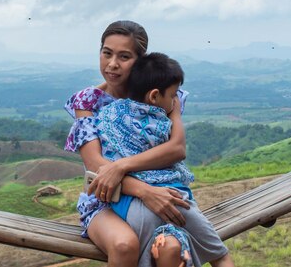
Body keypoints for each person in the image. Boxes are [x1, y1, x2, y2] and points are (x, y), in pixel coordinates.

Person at [64, 21, 234, 267]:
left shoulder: (165, 93)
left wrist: (121, 166)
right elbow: (96, 166)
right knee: (125, 245)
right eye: (106, 53)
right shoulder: (88, 102)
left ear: (140, 60)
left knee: (169, 248)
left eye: (124, 56)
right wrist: (146, 192)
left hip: (161, 192)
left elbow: (176, 149)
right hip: (107, 200)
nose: (112, 64)